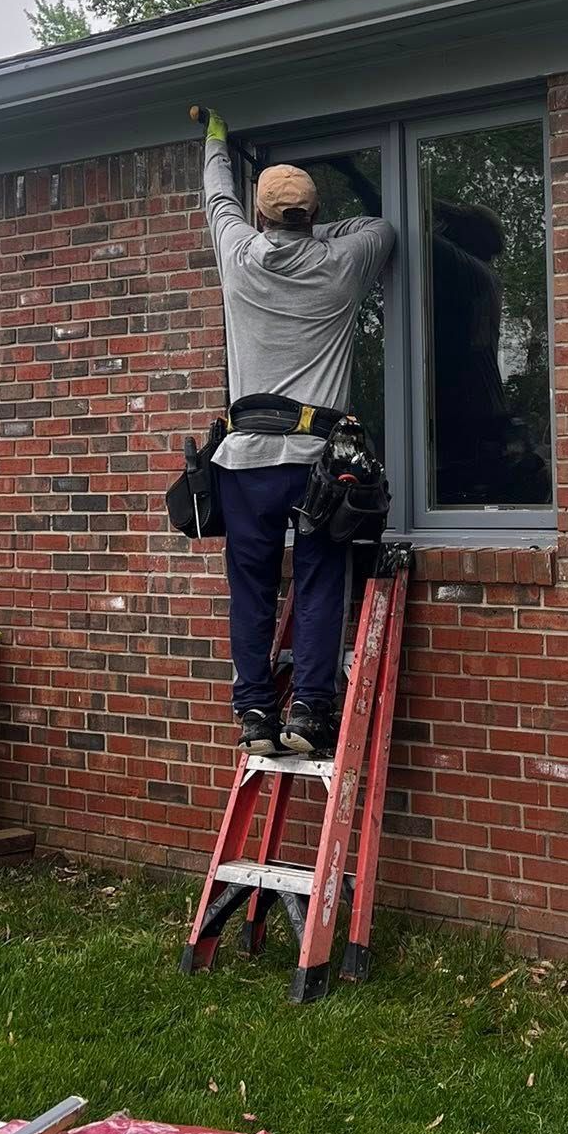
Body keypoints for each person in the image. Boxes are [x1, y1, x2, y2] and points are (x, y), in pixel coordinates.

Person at [201, 107, 394, 757]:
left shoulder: (236, 254)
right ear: (312, 216)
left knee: (251, 587)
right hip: (314, 461)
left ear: (259, 216)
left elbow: (216, 192)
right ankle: (309, 712)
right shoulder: (340, 265)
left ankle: (255, 715)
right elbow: (382, 227)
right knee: (317, 581)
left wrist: (218, 136)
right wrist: (318, 235)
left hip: (243, 461)